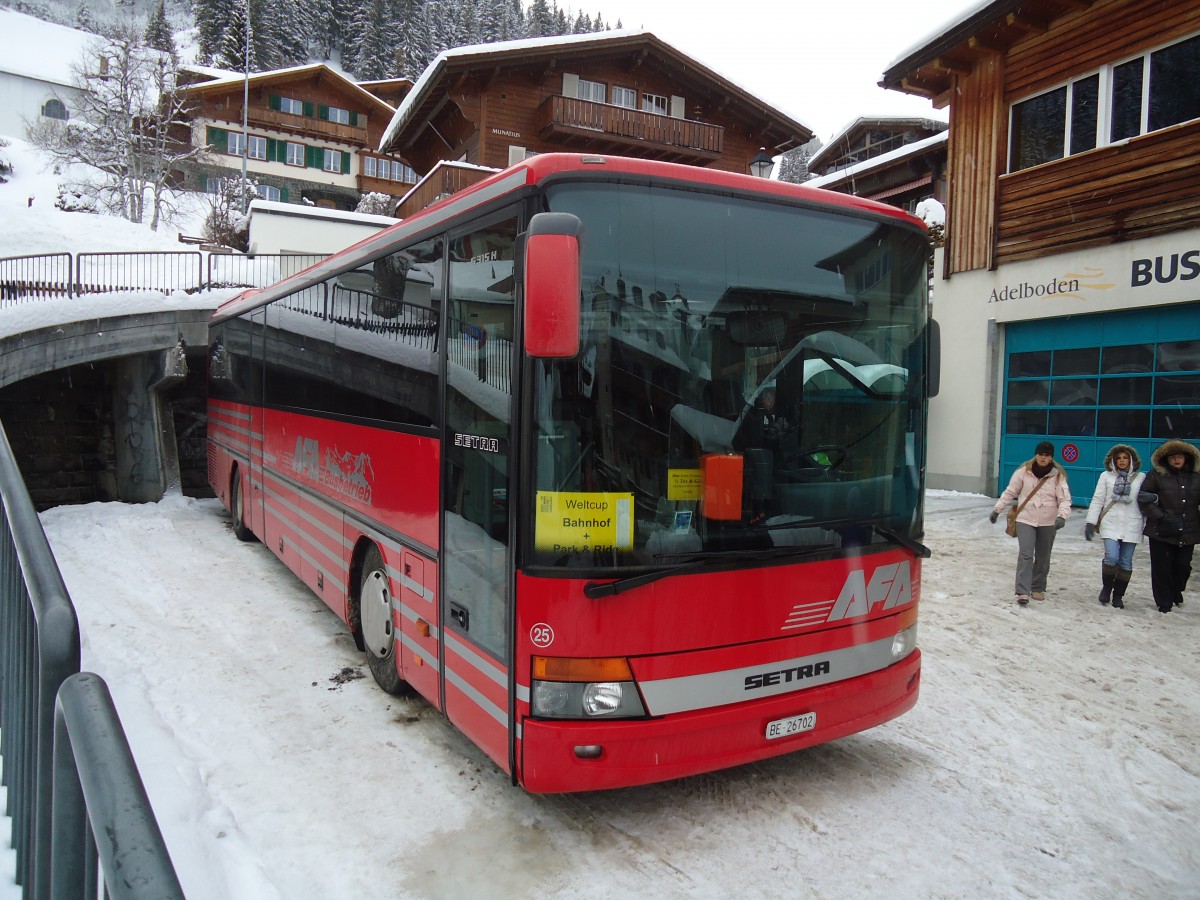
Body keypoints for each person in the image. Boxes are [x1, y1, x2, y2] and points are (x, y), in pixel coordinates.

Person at [989, 441, 1072, 605]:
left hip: (1048, 521)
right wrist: (997, 509)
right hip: (1025, 518)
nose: (1043, 457)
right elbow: (1010, 492)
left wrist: (1062, 516)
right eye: (1041, 454)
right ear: (1036, 454)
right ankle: (1022, 590)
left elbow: (1064, 498)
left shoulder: (1058, 476)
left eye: (1047, 455)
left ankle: (1037, 587)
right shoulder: (1023, 472)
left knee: (1043, 556)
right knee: (1026, 554)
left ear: (1051, 458)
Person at [1138, 439, 1200, 613]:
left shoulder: (1196, 477)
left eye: (1180, 456)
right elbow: (1143, 498)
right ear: (1166, 459)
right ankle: (1164, 601)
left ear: (1187, 458)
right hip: (1161, 529)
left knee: (1183, 566)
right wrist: (1160, 516)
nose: (1177, 460)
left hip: (1188, 529)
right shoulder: (1156, 475)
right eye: (1173, 457)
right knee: (1162, 567)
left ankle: (1176, 589)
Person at [1084, 444, 1145, 608]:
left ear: (1131, 460)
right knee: (1111, 556)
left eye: (1125, 458)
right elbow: (1098, 499)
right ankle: (1106, 588)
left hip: (1132, 523)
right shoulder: (1106, 476)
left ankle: (1118, 595)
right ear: (1113, 460)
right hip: (1110, 522)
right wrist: (1090, 521)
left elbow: (1147, 500)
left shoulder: (1141, 478)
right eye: (1119, 458)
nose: (1122, 461)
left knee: (1126, 562)